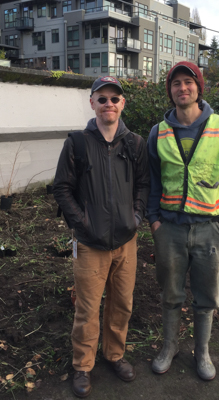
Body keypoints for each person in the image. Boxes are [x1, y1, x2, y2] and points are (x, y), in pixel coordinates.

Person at [147, 61, 219, 380]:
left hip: (210, 231)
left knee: (206, 298)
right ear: (170, 91)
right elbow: (152, 183)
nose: (182, 88)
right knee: (170, 295)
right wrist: (155, 223)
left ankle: (201, 353)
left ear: (198, 88)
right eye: (176, 83)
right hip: (170, 231)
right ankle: (169, 347)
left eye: (188, 82)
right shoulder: (158, 132)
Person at [53, 76, 150, 398]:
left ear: (123, 104)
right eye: (102, 98)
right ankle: (82, 364)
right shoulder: (77, 143)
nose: (109, 104)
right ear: (92, 102)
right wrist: (81, 224)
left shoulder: (135, 144)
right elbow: (62, 188)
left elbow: (143, 186)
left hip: (126, 241)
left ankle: (114, 354)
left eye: (115, 99)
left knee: (122, 303)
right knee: (88, 307)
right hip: (89, 243)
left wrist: (136, 217)